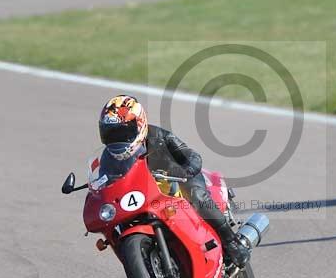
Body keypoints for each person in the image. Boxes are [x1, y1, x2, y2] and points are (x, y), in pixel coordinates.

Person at [98, 94, 250, 267]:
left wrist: (188, 168)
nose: (117, 140)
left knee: (197, 196)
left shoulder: (159, 136)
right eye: (111, 134)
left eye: (123, 133)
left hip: (177, 179)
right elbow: (105, 180)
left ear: (139, 124)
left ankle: (232, 243)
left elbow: (190, 154)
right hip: (143, 195)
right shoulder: (108, 157)